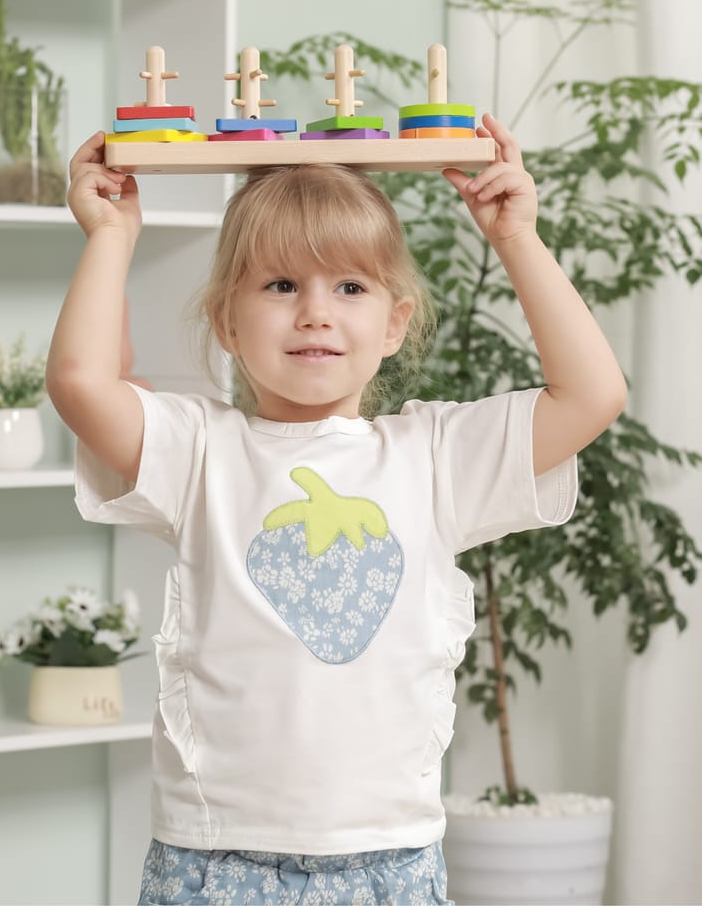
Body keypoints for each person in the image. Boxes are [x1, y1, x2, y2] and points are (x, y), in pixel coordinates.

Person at [47, 114, 626, 906]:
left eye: (349, 287)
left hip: (389, 857)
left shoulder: (434, 457)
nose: (315, 312)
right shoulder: (199, 451)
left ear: (394, 323)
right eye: (281, 285)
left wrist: (515, 238)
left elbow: (592, 394)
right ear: (226, 322)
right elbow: (81, 383)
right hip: (215, 857)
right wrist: (110, 235)